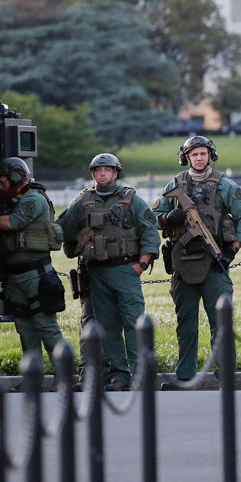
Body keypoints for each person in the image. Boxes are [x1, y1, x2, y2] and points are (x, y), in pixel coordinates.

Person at [152, 135, 241, 390]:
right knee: (185, 322)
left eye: (203, 154)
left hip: (214, 263)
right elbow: (151, 217)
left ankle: (226, 376)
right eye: (194, 154)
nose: (199, 158)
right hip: (182, 263)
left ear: (210, 155)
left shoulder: (225, 185)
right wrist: (168, 217)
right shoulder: (175, 184)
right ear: (186, 157)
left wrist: (234, 248)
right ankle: (185, 378)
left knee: (221, 321)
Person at [57, 152, 159, 391]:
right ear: (93, 174)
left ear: (115, 173)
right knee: (108, 327)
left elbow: (150, 232)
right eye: (98, 170)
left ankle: (141, 376)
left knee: (134, 324)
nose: (102, 174)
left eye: (107, 170)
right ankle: (120, 377)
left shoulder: (131, 200)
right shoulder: (83, 201)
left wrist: (141, 264)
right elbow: (61, 228)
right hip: (96, 273)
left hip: (126, 269)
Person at [0, 157, 66, 362]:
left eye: (2, 181)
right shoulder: (12, 201)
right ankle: (34, 379)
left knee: (46, 328)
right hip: (16, 277)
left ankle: (66, 377)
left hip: (35, 276)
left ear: (15, 177)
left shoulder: (34, 199)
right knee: (25, 330)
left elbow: (13, 223)